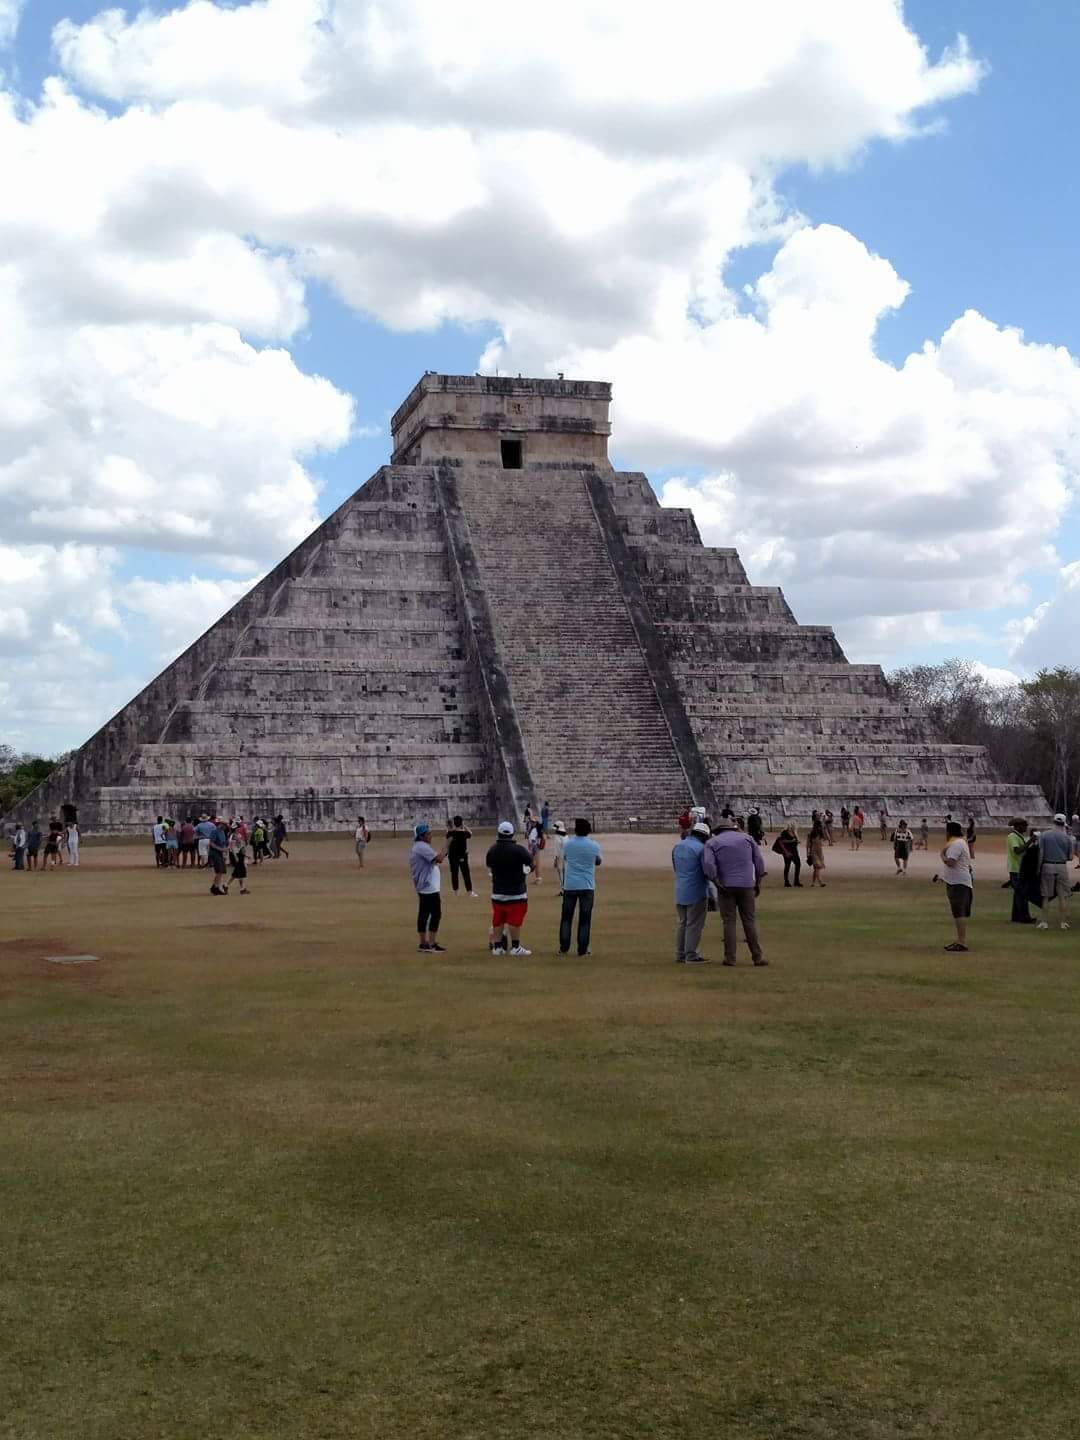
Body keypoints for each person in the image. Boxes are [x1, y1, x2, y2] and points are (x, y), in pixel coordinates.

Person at [702, 816, 768, 967]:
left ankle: (730, 958)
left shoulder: (712, 842)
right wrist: (757, 883)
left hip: (726, 885)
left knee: (729, 922)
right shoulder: (747, 839)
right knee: (749, 921)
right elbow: (759, 863)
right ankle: (757, 957)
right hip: (746, 885)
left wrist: (716, 882)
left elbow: (708, 865)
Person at [485, 821, 538, 956]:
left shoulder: (492, 850)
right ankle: (515, 947)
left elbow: (489, 865)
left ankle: (497, 947)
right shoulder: (519, 850)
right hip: (516, 892)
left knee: (498, 920)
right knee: (514, 920)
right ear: (512, 834)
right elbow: (532, 864)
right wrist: (527, 870)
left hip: (498, 891)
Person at [558, 818, 602, 956]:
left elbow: (565, 858)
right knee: (585, 919)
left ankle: (564, 947)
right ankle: (582, 949)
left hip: (570, 885)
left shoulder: (568, 844)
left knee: (566, 918)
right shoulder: (594, 845)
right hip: (587, 885)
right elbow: (598, 861)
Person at [673, 820, 710, 964]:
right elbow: (707, 870)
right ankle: (691, 954)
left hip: (681, 889)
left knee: (682, 923)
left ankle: (680, 953)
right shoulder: (701, 849)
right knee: (694, 924)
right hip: (697, 890)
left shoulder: (678, 846)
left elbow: (676, 868)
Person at [409, 822, 447, 952]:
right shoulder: (422, 847)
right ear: (421, 836)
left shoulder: (420, 846)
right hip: (428, 887)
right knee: (435, 914)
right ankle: (430, 943)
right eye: (428, 834)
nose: (431, 836)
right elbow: (439, 859)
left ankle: (424, 943)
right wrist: (448, 843)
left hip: (426, 886)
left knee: (424, 913)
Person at [1036, 814, 1075, 931]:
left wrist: (1038, 868)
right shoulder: (1068, 838)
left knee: (1046, 896)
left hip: (1047, 866)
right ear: (1064, 823)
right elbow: (1070, 857)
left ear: (1053, 822)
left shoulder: (1044, 835)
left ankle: (1044, 922)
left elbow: (1041, 853)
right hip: (1061, 866)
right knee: (1062, 896)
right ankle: (1063, 923)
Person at [939, 820, 973, 952]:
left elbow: (951, 862)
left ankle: (962, 941)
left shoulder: (956, 844)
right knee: (958, 912)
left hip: (958, 882)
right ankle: (961, 940)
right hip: (957, 881)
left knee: (959, 912)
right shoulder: (959, 842)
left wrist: (942, 855)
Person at [1005, 818, 1035, 924]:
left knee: (1018, 893)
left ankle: (1016, 916)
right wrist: (1031, 840)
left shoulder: (1018, 836)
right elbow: (1017, 850)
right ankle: (1024, 917)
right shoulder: (1012, 836)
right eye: (1024, 825)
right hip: (1016, 868)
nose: (1026, 828)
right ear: (1017, 826)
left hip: (1019, 868)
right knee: (1022, 893)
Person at [445, 815, 477, 896]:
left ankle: (455, 892)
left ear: (454, 823)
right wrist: (464, 826)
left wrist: (451, 827)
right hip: (462, 856)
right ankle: (469, 892)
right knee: (466, 873)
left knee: (454, 873)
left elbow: (447, 834)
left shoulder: (450, 833)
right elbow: (471, 833)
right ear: (461, 823)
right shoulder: (464, 833)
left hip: (452, 856)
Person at [206, 815, 229, 894]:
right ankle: (216, 887)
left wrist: (225, 848)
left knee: (221, 870)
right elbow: (211, 843)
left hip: (220, 853)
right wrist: (220, 849)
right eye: (225, 824)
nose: (226, 826)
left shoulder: (222, 832)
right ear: (221, 824)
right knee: (219, 870)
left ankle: (215, 886)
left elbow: (223, 843)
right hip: (215, 853)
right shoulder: (215, 831)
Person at [222, 831, 250, 895]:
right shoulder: (233, 838)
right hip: (238, 857)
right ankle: (242, 889)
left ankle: (226, 885)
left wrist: (246, 856)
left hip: (239, 856)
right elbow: (234, 849)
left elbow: (240, 849)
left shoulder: (234, 836)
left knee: (236, 874)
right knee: (240, 873)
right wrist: (236, 857)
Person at [806, 818, 827, 887]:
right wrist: (808, 853)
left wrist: (823, 830)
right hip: (814, 851)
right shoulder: (811, 833)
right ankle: (820, 882)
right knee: (817, 867)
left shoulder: (820, 833)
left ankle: (813, 883)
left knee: (816, 868)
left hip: (819, 851)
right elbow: (808, 844)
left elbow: (825, 838)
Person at [550, 820, 567, 893]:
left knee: (560, 872)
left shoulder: (557, 836)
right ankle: (566, 888)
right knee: (565, 872)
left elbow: (557, 848)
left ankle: (563, 889)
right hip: (566, 856)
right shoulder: (566, 835)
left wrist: (555, 859)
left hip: (560, 856)